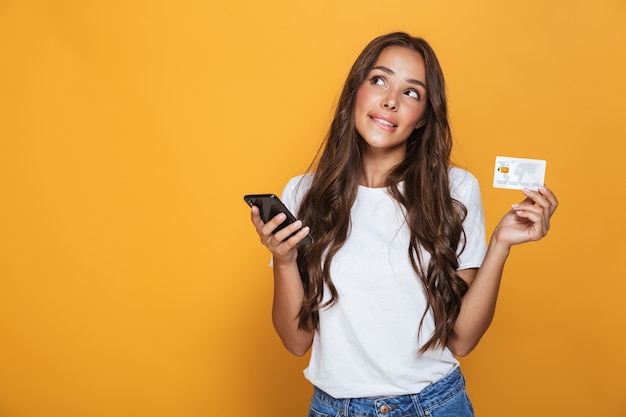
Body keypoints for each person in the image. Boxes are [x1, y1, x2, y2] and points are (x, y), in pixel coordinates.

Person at [249, 32, 558, 417]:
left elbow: (462, 340)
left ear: (424, 116)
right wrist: (282, 260)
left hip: (434, 405)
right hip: (332, 409)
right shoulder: (304, 193)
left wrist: (499, 244)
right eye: (378, 80)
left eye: (411, 92)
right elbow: (296, 341)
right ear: (355, 91)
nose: (390, 101)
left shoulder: (455, 190)